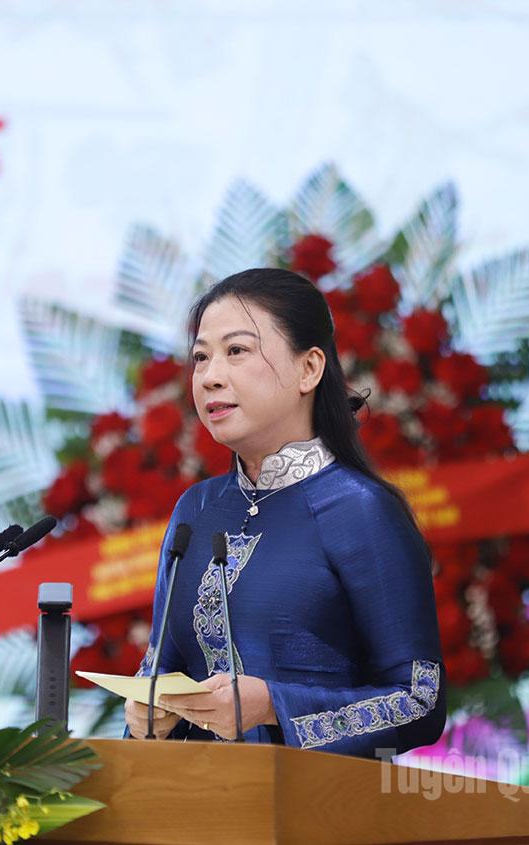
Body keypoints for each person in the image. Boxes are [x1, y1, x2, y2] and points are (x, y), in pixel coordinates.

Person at [122, 268, 445, 757]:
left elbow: (420, 701)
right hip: (194, 797)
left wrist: (274, 705)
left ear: (308, 369)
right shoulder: (197, 509)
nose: (209, 377)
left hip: (316, 800)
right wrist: (146, 714)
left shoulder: (359, 510)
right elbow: (158, 670)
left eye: (236, 351)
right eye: (201, 357)